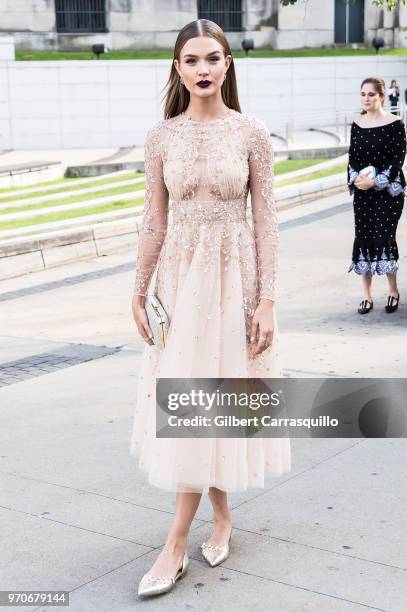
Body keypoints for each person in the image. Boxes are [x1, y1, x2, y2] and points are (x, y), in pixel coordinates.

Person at [130, 18, 291, 597]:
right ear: (178, 68)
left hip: (235, 281)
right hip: (179, 280)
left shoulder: (251, 132)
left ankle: (175, 543)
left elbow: (266, 222)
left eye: (212, 58)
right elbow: (154, 219)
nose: (202, 69)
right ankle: (218, 514)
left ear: (228, 65)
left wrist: (267, 299)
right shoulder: (161, 137)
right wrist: (139, 286)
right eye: (192, 59)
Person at [347, 77, 406, 315]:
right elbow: (353, 156)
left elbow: (398, 159)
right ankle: (367, 296)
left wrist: (377, 181)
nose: (366, 99)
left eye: (371, 94)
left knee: (384, 237)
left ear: (381, 96)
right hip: (363, 193)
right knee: (363, 238)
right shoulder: (357, 123)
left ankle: (392, 291)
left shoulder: (395, 123)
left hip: (388, 193)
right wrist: (356, 179)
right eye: (363, 94)